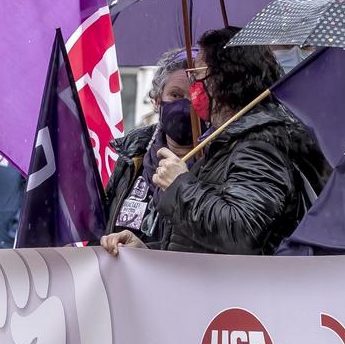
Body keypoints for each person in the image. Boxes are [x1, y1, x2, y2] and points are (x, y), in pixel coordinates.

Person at [103, 29, 328, 256]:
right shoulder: (229, 144)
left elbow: (240, 233)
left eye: (198, 73)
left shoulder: (259, 148)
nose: (193, 86)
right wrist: (144, 252)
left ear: (221, 80)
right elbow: (200, 246)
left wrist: (180, 186)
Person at [103, 50, 194, 246]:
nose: (185, 105)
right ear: (157, 100)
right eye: (175, 95)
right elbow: (106, 226)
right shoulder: (133, 154)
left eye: (195, 96)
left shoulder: (217, 163)